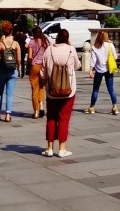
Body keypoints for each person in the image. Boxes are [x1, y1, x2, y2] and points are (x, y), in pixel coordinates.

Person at [41, 28, 79, 158]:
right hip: (68, 91)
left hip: (52, 90)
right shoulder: (71, 50)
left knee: (51, 118)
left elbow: (43, 72)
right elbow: (77, 66)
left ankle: (49, 148)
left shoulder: (49, 50)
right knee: (64, 119)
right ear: (67, 38)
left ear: (57, 37)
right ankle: (62, 149)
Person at [85, 30, 120, 115]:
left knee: (95, 89)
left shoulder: (94, 47)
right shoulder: (110, 45)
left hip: (99, 70)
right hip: (108, 70)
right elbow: (115, 57)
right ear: (106, 37)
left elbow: (93, 60)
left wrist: (91, 70)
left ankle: (92, 107)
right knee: (111, 89)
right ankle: (115, 107)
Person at [0, 21, 21, 122]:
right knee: (9, 94)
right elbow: (19, 60)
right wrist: (17, 66)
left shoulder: (0, 44)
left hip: (1, 70)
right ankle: (8, 115)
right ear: (11, 31)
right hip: (12, 71)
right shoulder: (16, 44)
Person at [27, 26, 49, 118]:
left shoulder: (32, 42)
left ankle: (36, 111)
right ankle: (41, 106)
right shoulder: (46, 42)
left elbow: (30, 57)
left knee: (34, 89)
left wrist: (28, 66)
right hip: (43, 66)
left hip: (34, 66)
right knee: (41, 87)